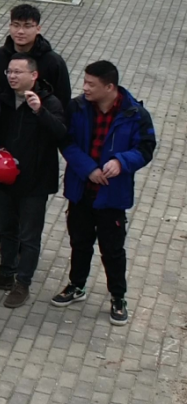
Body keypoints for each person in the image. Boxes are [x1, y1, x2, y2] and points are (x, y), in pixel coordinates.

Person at [52, 61, 155, 326]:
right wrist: (88, 169)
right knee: (80, 242)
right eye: (85, 82)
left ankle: (118, 297)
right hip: (81, 189)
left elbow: (145, 148)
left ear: (110, 87)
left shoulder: (135, 114)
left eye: (91, 84)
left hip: (112, 196)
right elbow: (66, 140)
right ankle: (77, 285)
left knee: (112, 249)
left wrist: (121, 162)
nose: (84, 88)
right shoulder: (77, 108)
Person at [0, 3, 71, 258]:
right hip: (2, 137)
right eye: (16, 25)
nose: (21, 31)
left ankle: (20, 252)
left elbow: (63, 105)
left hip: (35, 142)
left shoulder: (52, 62)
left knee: (27, 202)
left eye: (27, 26)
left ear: (38, 28)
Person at [0, 53, 69, 308]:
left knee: (29, 236)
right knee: (7, 230)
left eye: (18, 72)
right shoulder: (3, 100)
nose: (12, 77)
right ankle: (5, 273)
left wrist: (40, 111)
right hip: (4, 180)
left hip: (35, 183)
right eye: (9, 72)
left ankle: (22, 282)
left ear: (34, 75)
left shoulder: (49, 102)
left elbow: (61, 134)